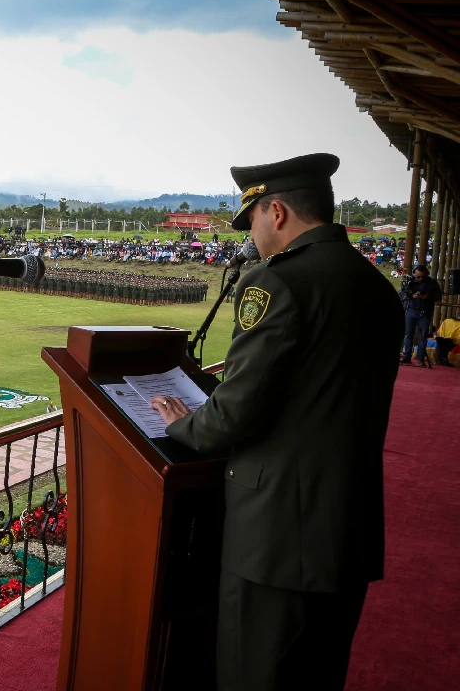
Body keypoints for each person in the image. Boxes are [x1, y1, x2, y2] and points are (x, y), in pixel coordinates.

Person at [149, 153, 401, 691]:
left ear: (277, 212)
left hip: (277, 538)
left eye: (253, 221)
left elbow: (234, 414)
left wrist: (182, 423)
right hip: (345, 529)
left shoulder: (276, 283)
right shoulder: (375, 285)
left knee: (253, 676)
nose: (253, 236)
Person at [400, 264, 442, 367]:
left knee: (422, 336)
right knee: (408, 334)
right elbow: (403, 293)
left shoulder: (432, 283)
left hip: (424, 311)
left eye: (422, 276)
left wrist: (427, 297)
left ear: (426, 274)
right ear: (415, 274)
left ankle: (420, 358)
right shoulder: (410, 281)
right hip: (411, 310)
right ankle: (407, 356)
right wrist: (411, 295)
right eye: (418, 276)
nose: (420, 279)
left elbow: (438, 296)